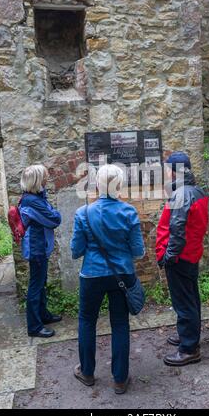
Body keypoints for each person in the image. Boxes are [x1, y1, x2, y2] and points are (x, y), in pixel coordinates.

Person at [71, 164, 144, 394]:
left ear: (98, 185)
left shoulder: (83, 213)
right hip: (121, 273)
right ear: (120, 185)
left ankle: (87, 372)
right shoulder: (129, 212)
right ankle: (120, 379)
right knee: (120, 324)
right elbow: (138, 252)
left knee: (86, 321)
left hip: (92, 274)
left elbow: (76, 251)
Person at [156, 152, 209, 366]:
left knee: (184, 301)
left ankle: (189, 348)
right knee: (190, 297)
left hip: (181, 257)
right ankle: (187, 334)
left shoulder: (181, 194)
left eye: (168, 168)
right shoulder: (197, 191)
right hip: (191, 253)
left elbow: (177, 230)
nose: (166, 172)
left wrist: (168, 257)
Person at [19, 164, 62, 338]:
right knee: (36, 286)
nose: (47, 179)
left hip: (39, 246)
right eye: (44, 176)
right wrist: (51, 210)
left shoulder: (33, 198)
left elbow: (50, 216)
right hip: (36, 248)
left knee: (41, 283)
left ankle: (43, 315)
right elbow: (55, 218)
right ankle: (34, 327)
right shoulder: (32, 201)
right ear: (37, 180)